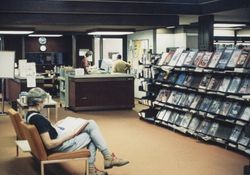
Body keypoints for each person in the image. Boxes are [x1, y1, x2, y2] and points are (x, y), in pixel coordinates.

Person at [25, 87, 129, 175]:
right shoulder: (38, 119)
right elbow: (49, 144)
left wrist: (55, 126)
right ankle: (102, 162)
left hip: (59, 136)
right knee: (91, 134)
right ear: (38, 102)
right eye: (43, 101)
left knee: (91, 125)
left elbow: (45, 131)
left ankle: (102, 162)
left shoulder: (30, 115)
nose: (44, 104)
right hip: (60, 145)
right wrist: (69, 135)